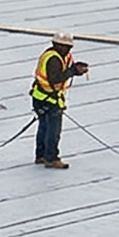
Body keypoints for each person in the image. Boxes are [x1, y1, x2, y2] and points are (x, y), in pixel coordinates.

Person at [29, 33, 87, 170]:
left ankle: (41, 155)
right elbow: (55, 78)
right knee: (53, 131)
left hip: (40, 97)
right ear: (59, 45)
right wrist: (73, 71)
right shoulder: (53, 59)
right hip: (49, 99)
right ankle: (51, 158)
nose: (69, 50)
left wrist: (75, 69)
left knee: (44, 127)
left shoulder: (56, 55)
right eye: (67, 47)